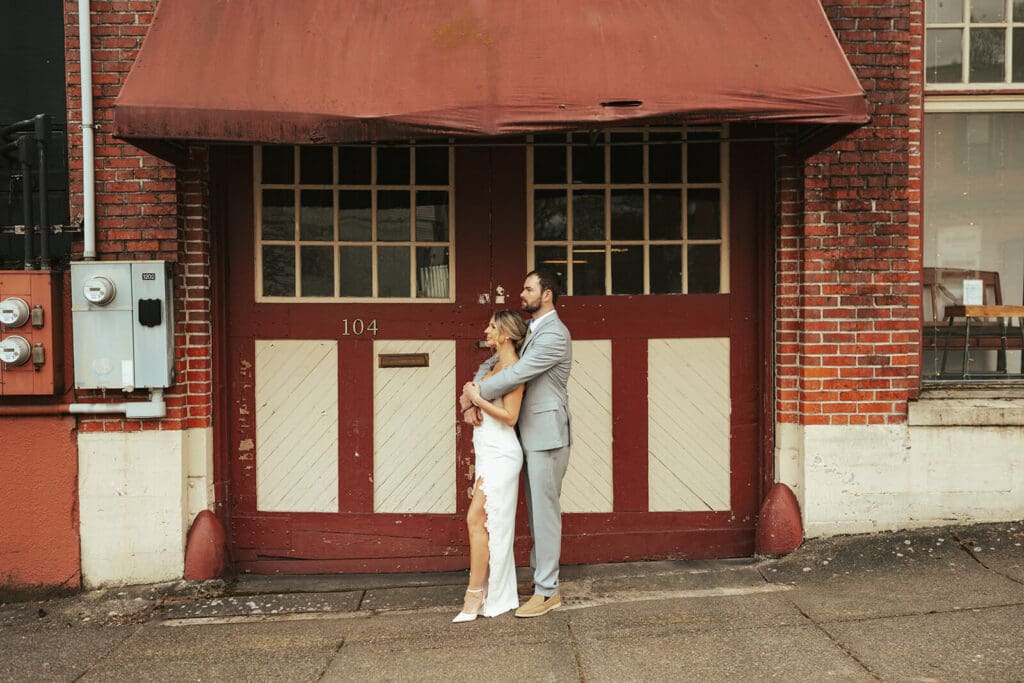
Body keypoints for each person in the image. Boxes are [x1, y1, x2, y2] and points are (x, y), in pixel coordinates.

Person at [462, 268, 572, 618]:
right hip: (524, 436)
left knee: (545, 514)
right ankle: (542, 581)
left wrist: (474, 396)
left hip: (546, 435)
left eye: (528, 289)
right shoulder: (530, 333)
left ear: (548, 294)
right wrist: (474, 389)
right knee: (535, 512)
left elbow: (518, 374)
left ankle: (547, 591)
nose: (521, 294)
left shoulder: (555, 334)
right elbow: (495, 363)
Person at [453, 310, 528, 623]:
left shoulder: (514, 369)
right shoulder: (491, 365)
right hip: (485, 451)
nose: (485, 330)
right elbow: (466, 398)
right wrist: (468, 404)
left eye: (492, 327)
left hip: (502, 453)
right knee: (487, 524)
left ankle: (475, 595)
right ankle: (493, 591)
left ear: (506, 334)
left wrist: (476, 399)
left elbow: (510, 416)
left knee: (476, 517)